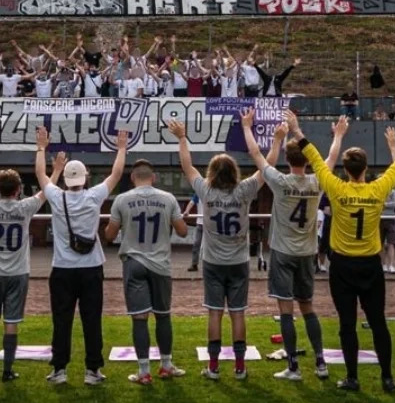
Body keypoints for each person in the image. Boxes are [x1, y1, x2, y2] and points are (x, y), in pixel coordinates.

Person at [289, 108, 395, 393]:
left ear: (345, 170)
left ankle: (353, 377)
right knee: (378, 322)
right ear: (366, 169)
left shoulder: (335, 188)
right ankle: (387, 377)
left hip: (342, 266)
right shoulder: (378, 189)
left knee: (347, 324)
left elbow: (315, 159)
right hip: (370, 265)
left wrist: (302, 131)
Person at [171, 117, 263, 381]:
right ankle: (240, 366)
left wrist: (182, 137)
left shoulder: (206, 191)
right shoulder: (244, 191)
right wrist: (276, 141)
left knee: (214, 312)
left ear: (212, 172)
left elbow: (187, 166)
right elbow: (263, 167)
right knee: (237, 313)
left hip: (213, 260)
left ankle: (213, 367)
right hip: (238, 260)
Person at [248, 113, 338, 382]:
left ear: (288, 160)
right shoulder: (317, 181)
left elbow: (256, 154)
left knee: (286, 310)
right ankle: (321, 362)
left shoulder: (281, 182)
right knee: (308, 307)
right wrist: (338, 136)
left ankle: (294, 366)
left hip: (283, 251)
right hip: (306, 252)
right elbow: (330, 160)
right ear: (308, 159)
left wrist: (253, 130)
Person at [35, 125, 127, 386]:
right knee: (91, 320)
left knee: (61, 320)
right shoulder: (94, 196)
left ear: (65, 179)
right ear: (85, 178)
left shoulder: (56, 195)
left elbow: (41, 174)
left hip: (63, 268)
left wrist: (42, 147)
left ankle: (60, 369)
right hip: (91, 266)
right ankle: (92, 370)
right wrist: (121, 148)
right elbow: (116, 173)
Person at [0, 142, 52, 383]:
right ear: (18, 190)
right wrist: (55, 169)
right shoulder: (25, 207)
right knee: (12, 322)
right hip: (18, 272)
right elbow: (46, 190)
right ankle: (7, 370)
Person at [105, 158, 188, 384]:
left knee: (139, 318)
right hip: (160, 264)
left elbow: (109, 236)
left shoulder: (121, 200)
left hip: (134, 262)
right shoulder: (168, 198)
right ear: (154, 178)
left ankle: (143, 371)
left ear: (132, 178)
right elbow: (182, 231)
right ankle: (167, 365)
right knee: (163, 315)